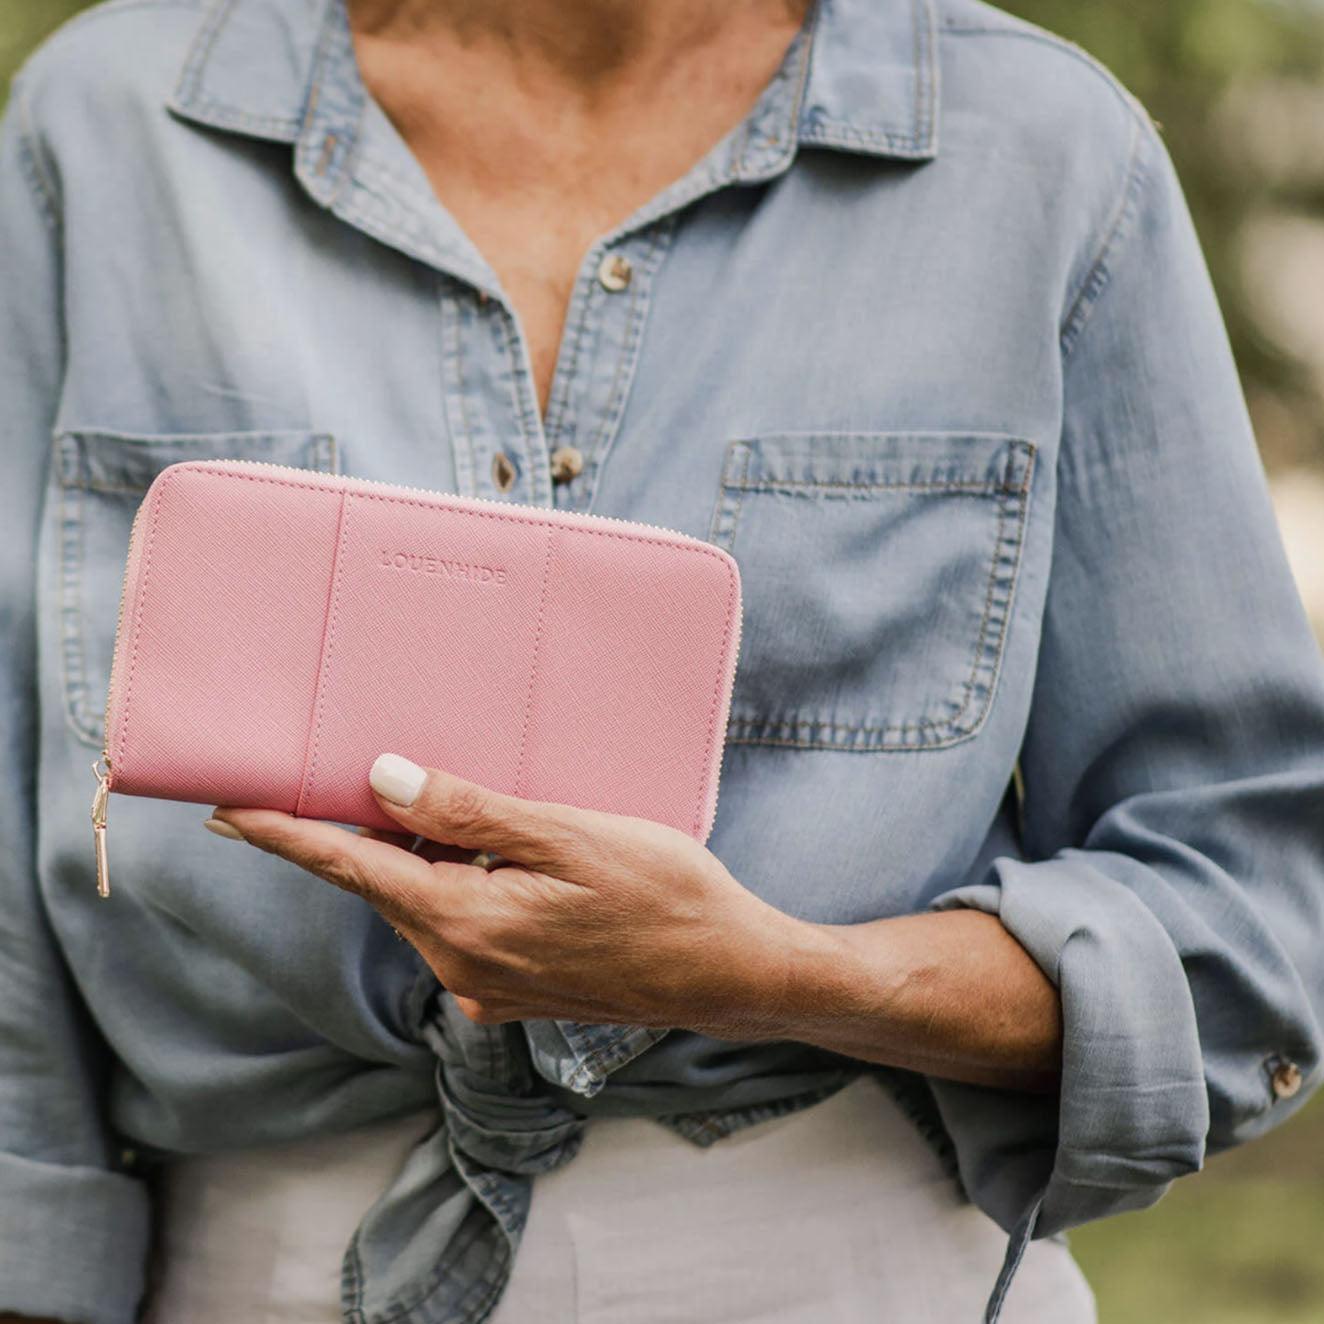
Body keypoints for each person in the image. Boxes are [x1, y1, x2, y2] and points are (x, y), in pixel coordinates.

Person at [2, 0, 1322, 1321]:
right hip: (255, 1263)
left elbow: (1248, 916)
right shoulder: (112, 121)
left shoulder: (1042, 154)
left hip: (852, 1259)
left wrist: (774, 974)